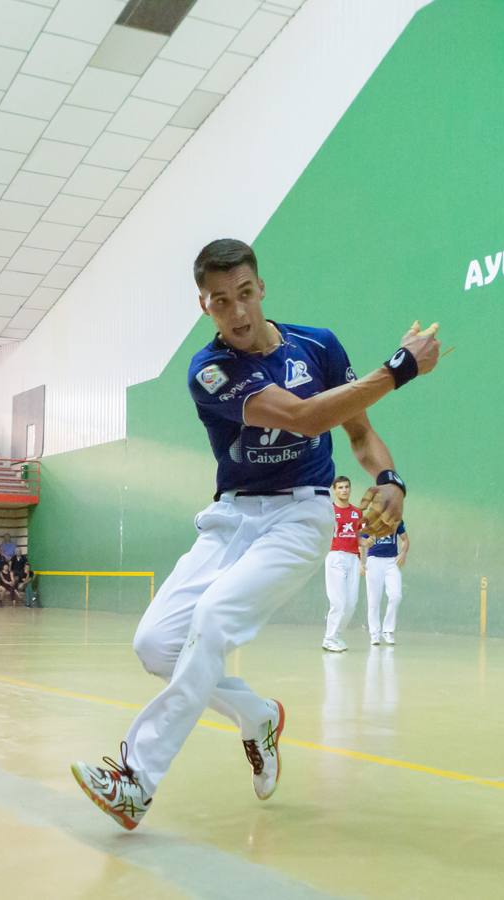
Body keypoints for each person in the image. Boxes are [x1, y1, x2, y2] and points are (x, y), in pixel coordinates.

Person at [69, 238, 440, 830]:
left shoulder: (317, 346)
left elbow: (359, 434)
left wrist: (391, 479)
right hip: (233, 518)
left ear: (261, 288)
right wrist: (400, 369)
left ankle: (136, 778)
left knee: (214, 618)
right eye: (221, 302)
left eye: (244, 294)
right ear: (205, 306)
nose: (237, 312)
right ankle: (258, 716)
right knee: (155, 645)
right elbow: (303, 417)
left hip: (300, 516)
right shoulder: (209, 371)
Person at [322, 474, 365, 652]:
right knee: (338, 602)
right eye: (340, 487)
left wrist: (363, 560)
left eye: (346, 487)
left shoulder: (357, 512)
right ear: (334, 490)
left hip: (353, 558)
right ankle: (329, 638)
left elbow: (361, 539)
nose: (344, 490)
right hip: (335, 556)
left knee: (351, 603)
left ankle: (336, 634)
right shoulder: (329, 511)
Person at [361, 518, 409, 645]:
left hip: (392, 562)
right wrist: (362, 562)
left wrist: (403, 553)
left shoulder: (397, 519)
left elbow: (405, 539)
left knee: (396, 596)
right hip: (373, 561)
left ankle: (388, 630)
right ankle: (374, 634)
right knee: (373, 600)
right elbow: (362, 542)